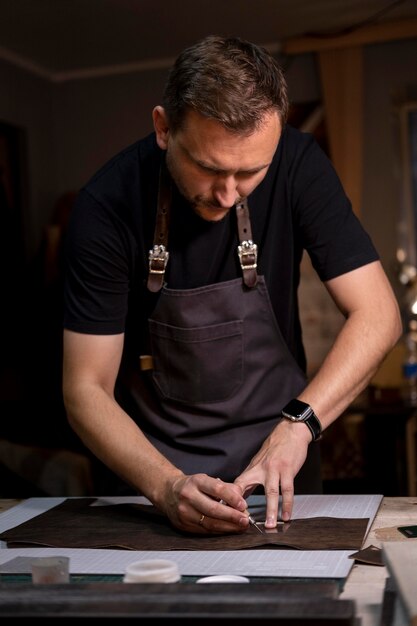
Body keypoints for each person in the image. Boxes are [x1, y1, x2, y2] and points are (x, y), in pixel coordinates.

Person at [62, 35, 402, 535]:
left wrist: (299, 426)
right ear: (163, 128)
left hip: (281, 472)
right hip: (150, 484)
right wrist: (166, 486)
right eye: (208, 167)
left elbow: (379, 316)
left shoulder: (299, 164)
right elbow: (84, 388)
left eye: (250, 172)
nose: (226, 194)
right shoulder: (105, 207)